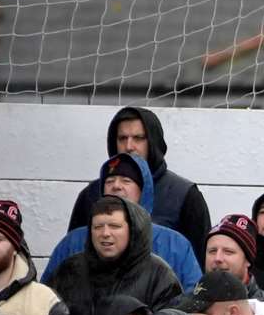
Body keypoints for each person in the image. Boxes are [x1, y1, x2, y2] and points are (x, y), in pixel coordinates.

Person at [65, 107, 211, 264]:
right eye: (122, 138)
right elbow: (72, 255)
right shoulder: (91, 195)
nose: (129, 146)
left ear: (153, 142)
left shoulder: (184, 195)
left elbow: (201, 265)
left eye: (138, 138)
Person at [42, 154, 202, 292]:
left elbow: (191, 299)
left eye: (126, 180)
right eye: (109, 181)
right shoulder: (73, 241)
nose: (116, 186)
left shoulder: (174, 244)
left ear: (143, 191)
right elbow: (46, 297)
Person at [45, 195, 181, 315]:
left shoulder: (160, 276)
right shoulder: (69, 270)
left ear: (133, 230)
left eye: (114, 226)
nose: (105, 233)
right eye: (98, 227)